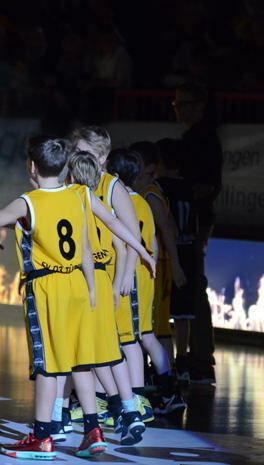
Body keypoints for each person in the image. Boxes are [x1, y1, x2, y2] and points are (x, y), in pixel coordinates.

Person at [0, 137, 112, 459]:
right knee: (80, 362)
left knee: (47, 366)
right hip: (78, 284)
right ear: (64, 167)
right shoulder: (78, 196)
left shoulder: (28, 201)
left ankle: (42, 437)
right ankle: (94, 430)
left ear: (31, 166)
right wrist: (91, 290)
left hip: (48, 289)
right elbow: (86, 246)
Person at [62, 151, 151, 445]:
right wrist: (143, 253)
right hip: (103, 281)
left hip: (80, 282)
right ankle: (128, 409)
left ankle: (63, 417)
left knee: (76, 356)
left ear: (70, 176)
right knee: (109, 352)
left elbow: (13, 220)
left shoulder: (66, 199)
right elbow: (118, 233)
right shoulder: (94, 200)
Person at [111, 147, 186, 415]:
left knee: (131, 339)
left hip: (129, 275)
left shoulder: (125, 203)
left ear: (114, 176)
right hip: (145, 274)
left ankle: (141, 397)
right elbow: (152, 241)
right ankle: (168, 389)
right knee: (146, 335)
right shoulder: (142, 200)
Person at [173, 82, 220, 385]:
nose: (178, 109)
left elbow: (209, 185)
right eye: (175, 104)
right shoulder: (196, 137)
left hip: (194, 223)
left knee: (194, 289)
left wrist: (180, 190)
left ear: (199, 105)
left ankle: (200, 358)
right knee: (193, 288)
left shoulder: (202, 139)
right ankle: (197, 356)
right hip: (193, 222)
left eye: (182, 103)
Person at [156, 137, 203, 383]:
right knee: (185, 311)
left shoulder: (159, 187)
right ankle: (182, 359)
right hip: (190, 249)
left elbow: (167, 225)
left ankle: (165, 366)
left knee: (163, 310)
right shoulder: (189, 187)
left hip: (168, 253)